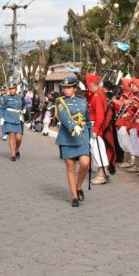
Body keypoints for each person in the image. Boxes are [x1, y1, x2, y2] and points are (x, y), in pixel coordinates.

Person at [55, 76, 91, 207]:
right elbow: (64, 116)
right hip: (67, 136)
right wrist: (72, 125)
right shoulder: (60, 102)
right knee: (70, 168)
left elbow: (88, 120)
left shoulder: (83, 101)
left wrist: (91, 137)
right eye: (64, 87)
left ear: (75, 88)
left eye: (69, 87)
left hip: (82, 136)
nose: (66, 90)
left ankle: (79, 185)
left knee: (85, 163)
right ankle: (74, 197)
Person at [85, 73, 116, 184]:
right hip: (98, 128)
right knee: (98, 151)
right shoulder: (99, 94)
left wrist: (95, 130)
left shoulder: (97, 96)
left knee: (98, 152)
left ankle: (102, 176)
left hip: (98, 129)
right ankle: (102, 174)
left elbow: (100, 116)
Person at [0, 82, 24, 161]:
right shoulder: (6, 98)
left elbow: (25, 104)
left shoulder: (20, 97)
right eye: (10, 89)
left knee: (19, 138)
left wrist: (24, 109)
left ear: (16, 89)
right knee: (12, 135)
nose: (11, 90)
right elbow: (2, 108)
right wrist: (2, 117)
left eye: (13, 88)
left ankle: (16, 149)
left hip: (18, 118)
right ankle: (13, 154)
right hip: (9, 118)